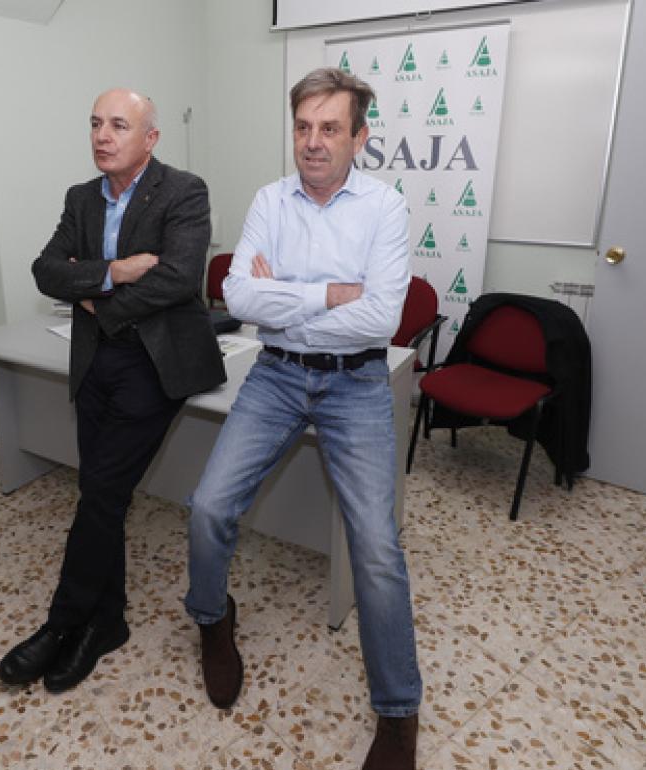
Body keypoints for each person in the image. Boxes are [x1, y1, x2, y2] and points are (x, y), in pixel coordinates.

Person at [184, 68, 422, 769]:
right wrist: (326, 296)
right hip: (277, 375)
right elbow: (235, 295)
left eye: (329, 128)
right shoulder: (270, 199)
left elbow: (381, 316)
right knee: (206, 509)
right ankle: (211, 617)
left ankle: (398, 710)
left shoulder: (384, 207)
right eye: (303, 127)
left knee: (377, 549)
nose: (313, 143)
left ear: (358, 136)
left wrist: (283, 290)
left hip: (357, 386)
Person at [0, 88, 226, 693]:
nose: (102, 135)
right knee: (103, 492)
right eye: (96, 123)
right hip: (96, 357)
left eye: (118, 125)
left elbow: (178, 279)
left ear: (150, 137)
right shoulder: (81, 197)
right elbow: (46, 269)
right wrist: (114, 273)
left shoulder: (184, 191)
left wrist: (96, 299)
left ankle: (62, 624)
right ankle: (108, 620)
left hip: (156, 363)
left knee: (99, 493)